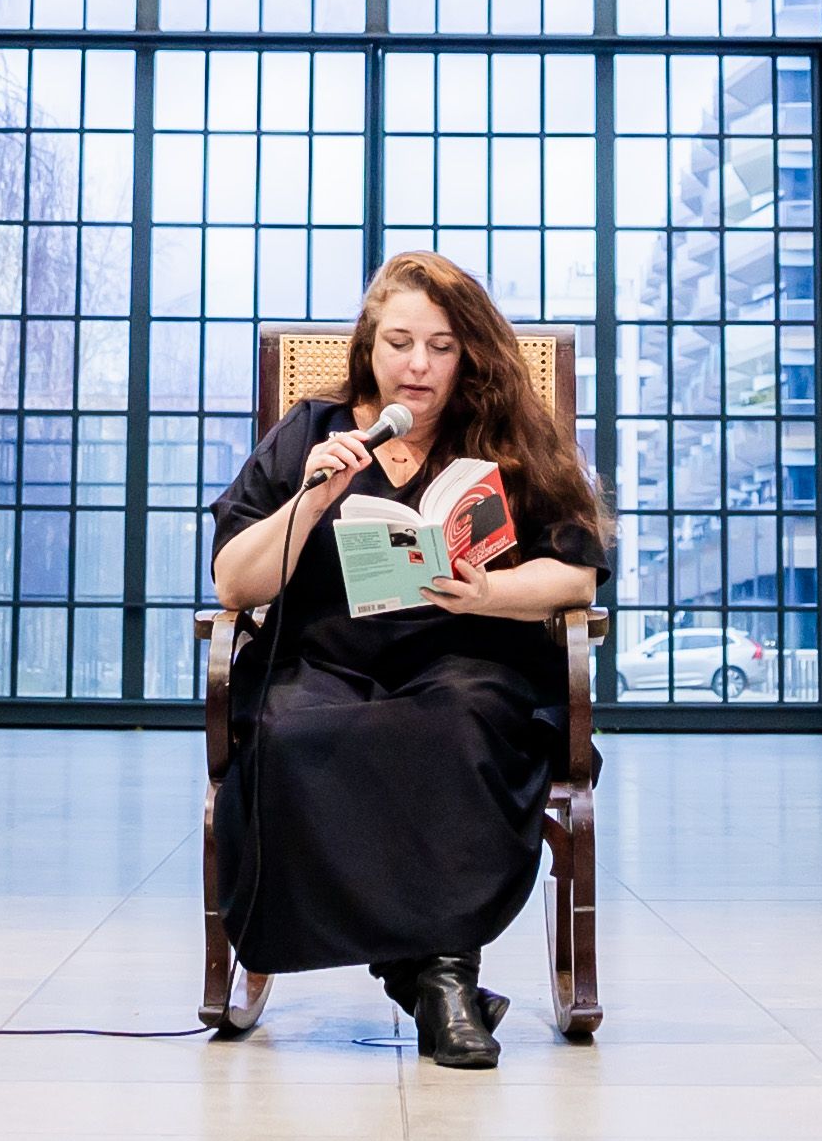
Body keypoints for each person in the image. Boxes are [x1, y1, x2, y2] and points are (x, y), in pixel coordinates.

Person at [202, 249, 609, 1067]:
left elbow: (577, 571)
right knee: (290, 734)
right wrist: (313, 498)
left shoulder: (507, 439)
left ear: (469, 355)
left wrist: (489, 592)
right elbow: (234, 582)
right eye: (399, 342)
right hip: (326, 662)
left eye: (441, 346)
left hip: (469, 659)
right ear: (370, 344)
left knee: (460, 725)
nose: (417, 364)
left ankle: (445, 971)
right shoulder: (312, 431)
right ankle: (433, 981)